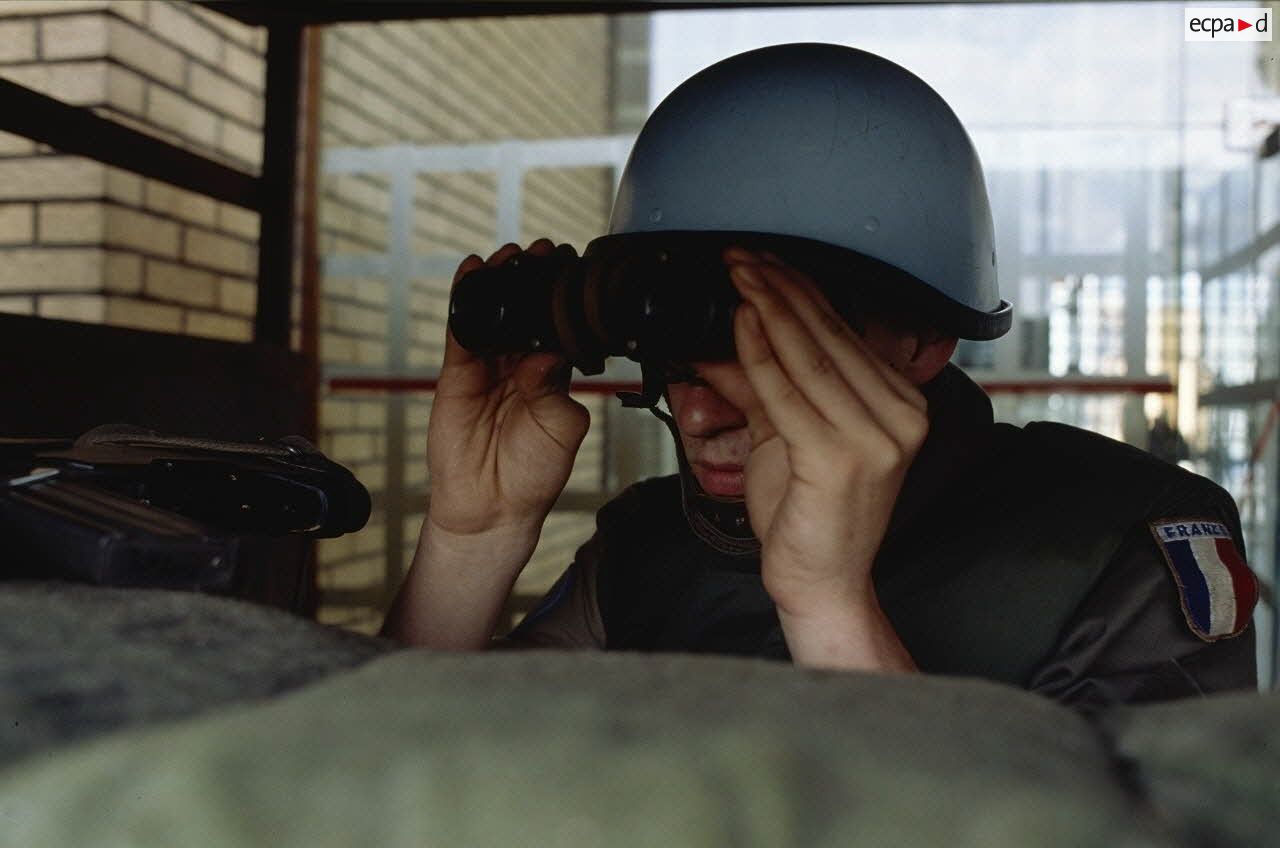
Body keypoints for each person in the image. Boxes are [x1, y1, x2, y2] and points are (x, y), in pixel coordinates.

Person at [383, 43, 1258, 709]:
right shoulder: (652, 545)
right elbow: (400, 769)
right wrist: (472, 540)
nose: (695, 415)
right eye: (674, 359)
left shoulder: (1115, 545)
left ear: (920, 342)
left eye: (761, 349)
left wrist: (830, 605)